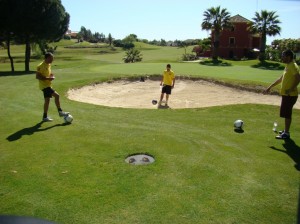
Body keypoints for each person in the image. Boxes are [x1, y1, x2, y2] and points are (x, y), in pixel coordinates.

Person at [264, 49, 300, 139]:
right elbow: (281, 79)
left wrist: (291, 89)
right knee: (285, 113)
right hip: (286, 95)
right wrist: (270, 86)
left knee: (287, 113)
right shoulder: (288, 65)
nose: (282, 57)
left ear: (289, 57)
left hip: (290, 95)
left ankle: (286, 133)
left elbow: (298, 78)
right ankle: (285, 130)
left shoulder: (293, 66)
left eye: (283, 56)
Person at [36, 52, 69, 122]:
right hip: (44, 86)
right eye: (51, 58)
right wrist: (48, 78)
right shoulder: (40, 66)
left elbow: (48, 73)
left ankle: (44, 117)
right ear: (47, 58)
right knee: (57, 96)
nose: (52, 60)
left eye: (52, 58)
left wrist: (51, 75)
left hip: (47, 85)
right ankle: (60, 112)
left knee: (47, 101)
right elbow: (37, 76)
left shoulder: (49, 65)